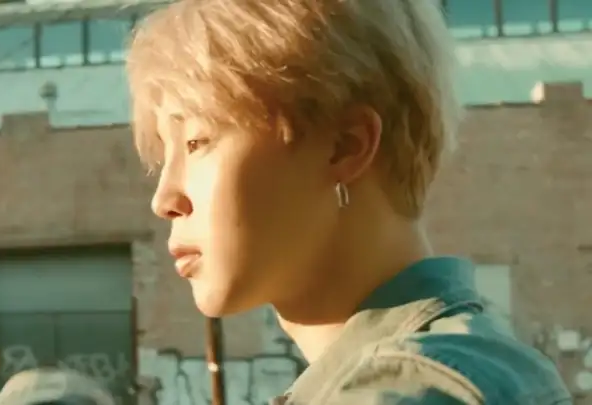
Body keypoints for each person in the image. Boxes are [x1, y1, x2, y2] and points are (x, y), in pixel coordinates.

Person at [125, 0, 572, 404]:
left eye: (197, 142)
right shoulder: (485, 365)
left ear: (345, 146)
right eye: (164, 156)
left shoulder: (411, 388)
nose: (165, 199)